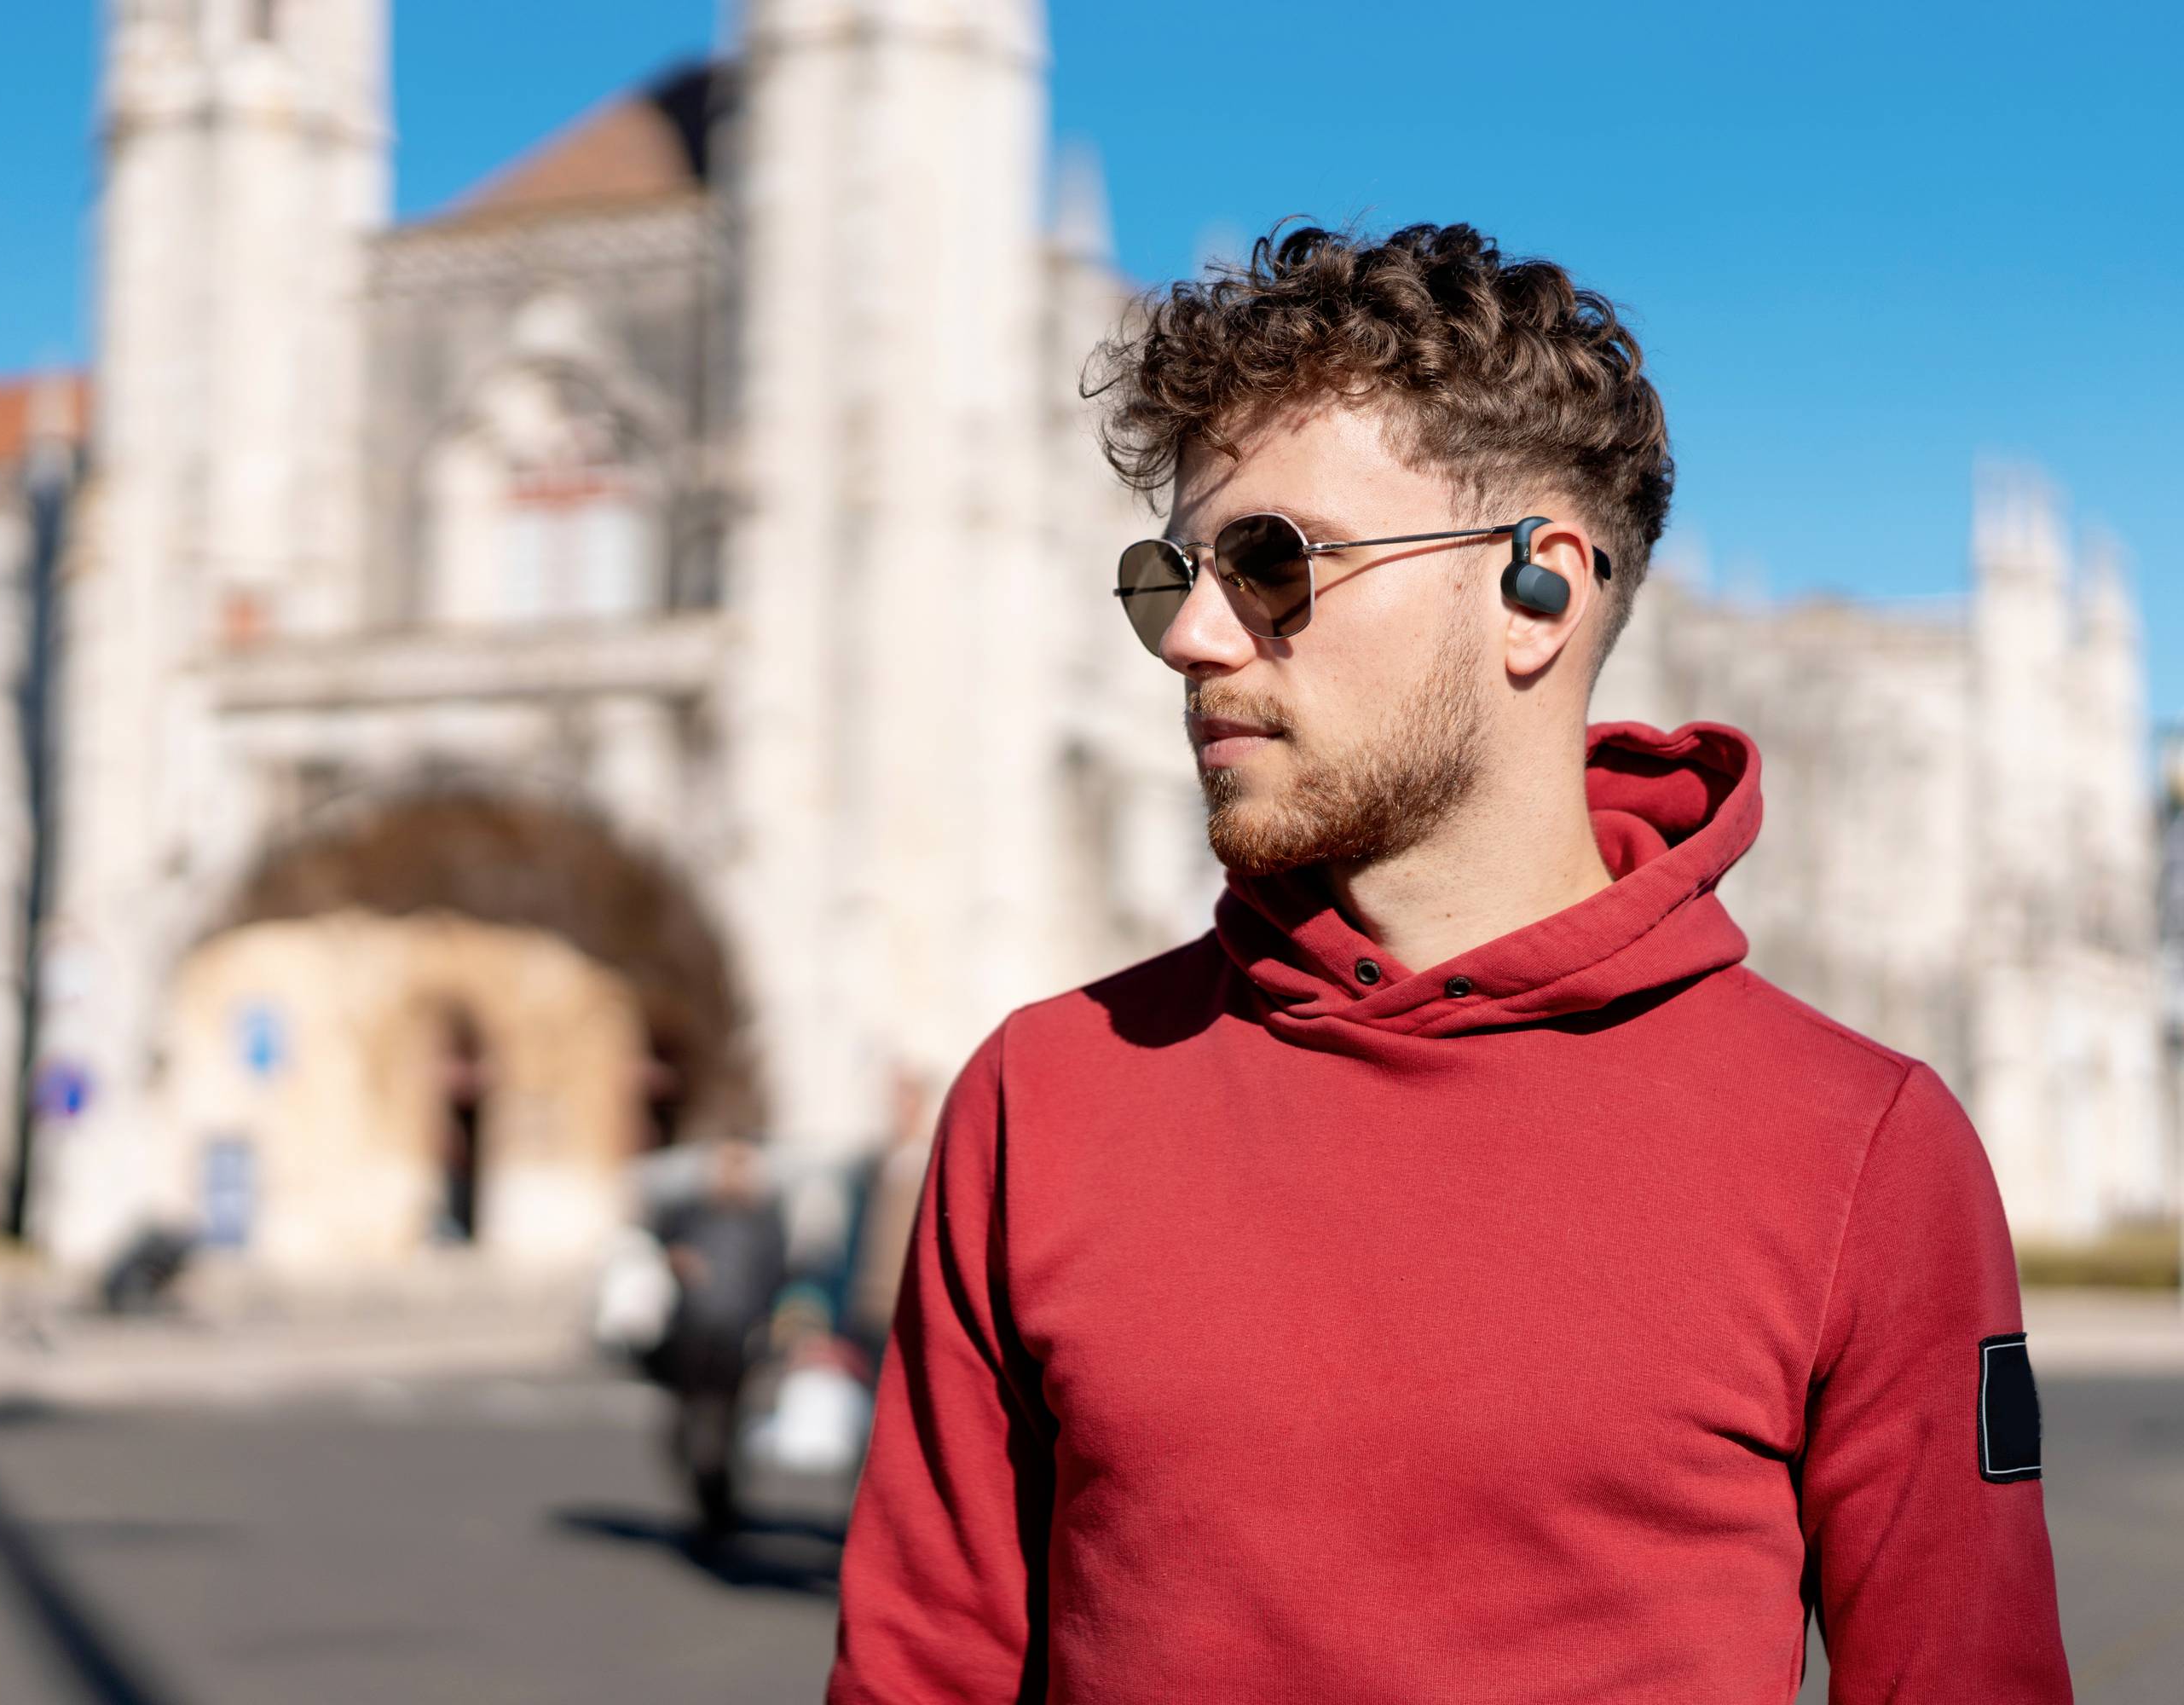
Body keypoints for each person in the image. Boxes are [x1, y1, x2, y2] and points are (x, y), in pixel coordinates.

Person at [828, 224, 2070, 1702]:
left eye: (1274, 564)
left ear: (1539, 589)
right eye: (1175, 576)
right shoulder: (1045, 1094)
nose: (1195, 640)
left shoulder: (1862, 1149)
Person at [653, 1133, 788, 1544]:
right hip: (691, 1329)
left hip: (739, 1333)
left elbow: (776, 1273)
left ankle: (720, 1501)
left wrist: (773, 1326)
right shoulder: (688, 1212)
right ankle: (703, 1490)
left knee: (729, 1420)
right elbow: (658, 1248)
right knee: (686, 1419)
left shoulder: (764, 1218)